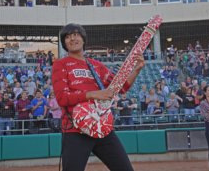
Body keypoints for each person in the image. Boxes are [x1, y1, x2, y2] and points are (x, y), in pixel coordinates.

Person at [51, 23, 144, 171]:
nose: (72, 39)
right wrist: (94, 94)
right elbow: (62, 98)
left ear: (83, 39)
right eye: (68, 37)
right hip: (75, 131)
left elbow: (121, 87)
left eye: (76, 35)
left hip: (101, 127)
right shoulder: (60, 64)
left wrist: (137, 69)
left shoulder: (96, 65)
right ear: (64, 43)